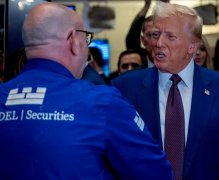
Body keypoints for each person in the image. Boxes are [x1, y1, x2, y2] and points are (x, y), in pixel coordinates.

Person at [0, 2, 173, 179]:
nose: (87, 47)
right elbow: (156, 173)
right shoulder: (101, 103)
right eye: (87, 38)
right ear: (73, 39)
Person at [112, 2, 219, 179]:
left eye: (170, 36)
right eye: (156, 35)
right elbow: (113, 155)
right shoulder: (124, 88)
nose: (158, 43)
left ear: (192, 47)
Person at [125, 0, 170, 68]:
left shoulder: (174, 58)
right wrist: (147, 5)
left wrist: (165, 6)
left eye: (157, 35)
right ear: (143, 40)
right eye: (149, 35)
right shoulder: (139, 59)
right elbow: (131, 38)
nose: (155, 40)